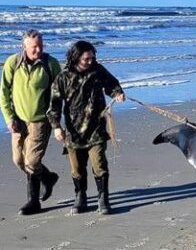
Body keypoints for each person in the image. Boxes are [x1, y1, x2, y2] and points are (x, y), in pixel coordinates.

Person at [47, 40, 125, 215]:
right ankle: (80, 197)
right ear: (76, 58)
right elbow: (54, 105)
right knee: (77, 168)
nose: (91, 61)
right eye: (86, 59)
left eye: (92, 57)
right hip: (74, 132)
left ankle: (103, 199)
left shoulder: (97, 71)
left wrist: (118, 93)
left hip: (96, 128)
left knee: (99, 164)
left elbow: (111, 84)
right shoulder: (63, 77)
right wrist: (56, 127)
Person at [0, 29, 62, 215]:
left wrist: (56, 121)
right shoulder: (13, 62)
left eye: (41, 46)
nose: (38, 50)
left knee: (32, 162)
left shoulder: (50, 64)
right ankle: (48, 177)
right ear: (24, 47)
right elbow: (3, 92)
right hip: (18, 121)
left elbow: (58, 95)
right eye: (34, 47)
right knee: (18, 160)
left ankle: (33, 202)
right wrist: (9, 118)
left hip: (40, 121)